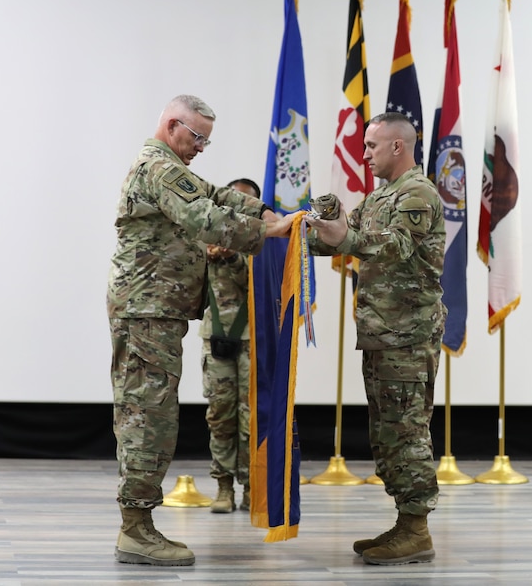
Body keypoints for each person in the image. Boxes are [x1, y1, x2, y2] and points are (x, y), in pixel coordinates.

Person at [107, 95, 292, 566]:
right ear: (173, 126)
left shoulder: (172, 167)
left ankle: (140, 525)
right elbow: (205, 218)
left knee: (155, 414)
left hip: (156, 311)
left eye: (207, 140)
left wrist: (265, 208)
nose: (202, 148)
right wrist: (268, 232)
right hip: (146, 310)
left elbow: (213, 193)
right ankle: (136, 529)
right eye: (198, 138)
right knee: (147, 418)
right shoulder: (159, 167)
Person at [305, 112, 446, 566]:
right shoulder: (381, 195)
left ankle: (417, 529)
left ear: (397, 147)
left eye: (370, 145)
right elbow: (345, 238)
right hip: (384, 334)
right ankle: (405, 523)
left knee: (406, 431)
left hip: (407, 335)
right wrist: (292, 230)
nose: (363, 154)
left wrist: (344, 235)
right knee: (387, 433)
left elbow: (394, 246)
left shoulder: (417, 194)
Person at [199, 177, 261, 514]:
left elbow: (260, 287)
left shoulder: (261, 240)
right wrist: (208, 255)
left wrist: (234, 257)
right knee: (219, 414)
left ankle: (252, 485)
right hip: (217, 336)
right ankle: (223, 487)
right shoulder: (207, 235)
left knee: (250, 417)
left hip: (252, 339)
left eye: (245, 202)